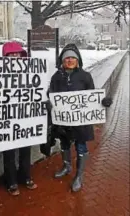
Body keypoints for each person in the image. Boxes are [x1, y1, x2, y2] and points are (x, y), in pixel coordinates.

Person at [48, 43, 112, 192]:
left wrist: (103, 101)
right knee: (64, 144)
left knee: (80, 146)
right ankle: (66, 166)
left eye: (72, 58)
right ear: (62, 61)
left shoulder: (85, 76)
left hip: (81, 121)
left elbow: (91, 96)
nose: (69, 60)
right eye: (67, 58)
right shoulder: (56, 77)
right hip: (63, 121)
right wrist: (48, 103)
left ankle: (79, 175)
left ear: (78, 60)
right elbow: (50, 93)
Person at [2, 42, 38, 196]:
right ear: (5, 57)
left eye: (18, 54)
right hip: (6, 119)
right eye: (12, 54)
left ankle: (26, 176)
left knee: (25, 150)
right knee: (8, 153)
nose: (15, 57)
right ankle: (11, 181)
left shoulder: (30, 72)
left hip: (25, 118)